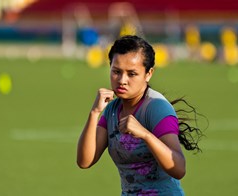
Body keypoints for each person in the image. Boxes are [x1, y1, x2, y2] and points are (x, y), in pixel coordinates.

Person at [77, 35, 204, 195]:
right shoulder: (112, 110)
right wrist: (95, 112)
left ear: (148, 74)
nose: (122, 80)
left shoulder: (157, 108)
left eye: (132, 74)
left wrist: (145, 134)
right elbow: (84, 161)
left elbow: (179, 169)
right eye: (116, 71)